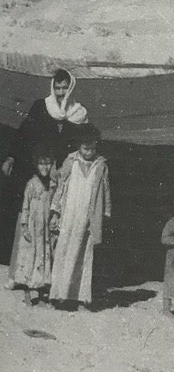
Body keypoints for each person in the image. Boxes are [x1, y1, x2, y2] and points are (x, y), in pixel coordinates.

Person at [3, 68, 88, 288]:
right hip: (39, 171)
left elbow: (84, 144)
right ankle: (19, 275)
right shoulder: (41, 106)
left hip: (61, 177)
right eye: (57, 87)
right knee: (30, 220)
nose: (60, 92)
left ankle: (47, 278)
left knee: (53, 223)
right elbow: (23, 133)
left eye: (64, 88)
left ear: (70, 88)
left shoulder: (79, 113)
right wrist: (11, 157)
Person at [49, 124, 111, 309]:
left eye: (92, 148)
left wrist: (105, 214)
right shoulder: (70, 161)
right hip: (69, 216)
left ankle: (80, 298)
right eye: (85, 148)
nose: (89, 152)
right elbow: (60, 187)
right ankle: (58, 296)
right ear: (79, 145)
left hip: (87, 219)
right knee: (64, 253)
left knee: (84, 256)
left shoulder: (101, 166)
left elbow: (106, 191)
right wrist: (55, 211)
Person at [12, 145, 57, 307]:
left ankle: (43, 293)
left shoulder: (53, 184)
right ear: (35, 165)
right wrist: (24, 227)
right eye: (41, 164)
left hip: (45, 229)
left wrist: (54, 219)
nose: (45, 168)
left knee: (45, 257)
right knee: (30, 258)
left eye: (48, 164)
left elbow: (55, 204)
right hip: (32, 226)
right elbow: (25, 206)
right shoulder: (31, 184)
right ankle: (27, 292)